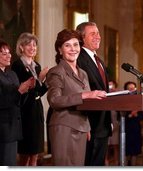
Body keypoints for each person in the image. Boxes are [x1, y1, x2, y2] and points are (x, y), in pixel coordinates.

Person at [46, 29, 107, 166]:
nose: (73, 49)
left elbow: (88, 104)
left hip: (82, 128)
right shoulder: (56, 72)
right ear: (60, 50)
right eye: (67, 45)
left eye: (76, 45)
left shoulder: (83, 73)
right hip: (63, 128)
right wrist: (84, 95)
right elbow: (54, 100)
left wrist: (87, 126)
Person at [76, 22, 112, 166]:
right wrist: (86, 125)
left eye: (98, 33)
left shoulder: (99, 61)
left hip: (102, 124)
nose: (98, 37)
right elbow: (80, 92)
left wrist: (108, 120)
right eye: (93, 34)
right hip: (90, 125)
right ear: (82, 38)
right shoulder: (79, 59)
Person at [11, 32, 48, 166]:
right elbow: (24, 90)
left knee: (36, 153)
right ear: (21, 47)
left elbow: (38, 91)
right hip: (25, 112)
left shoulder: (36, 65)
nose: (33, 48)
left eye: (35, 45)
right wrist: (41, 79)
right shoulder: (17, 66)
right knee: (26, 152)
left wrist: (45, 83)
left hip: (36, 110)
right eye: (29, 45)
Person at [0, 39, 33, 166]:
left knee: (11, 163)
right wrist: (19, 91)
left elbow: (18, 102)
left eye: (9, 53)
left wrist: (26, 90)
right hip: (3, 129)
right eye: (3, 53)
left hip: (14, 127)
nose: (9, 55)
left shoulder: (12, 74)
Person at [123, 81, 143, 166]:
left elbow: (142, 117)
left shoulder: (139, 100)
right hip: (126, 129)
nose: (132, 90)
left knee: (135, 152)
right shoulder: (122, 100)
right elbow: (120, 116)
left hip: (136, 129)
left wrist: (136, 115)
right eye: (129, 89)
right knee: (126, 151)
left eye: (133, 88)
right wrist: (131, 115)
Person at [105, 80, 120, 166]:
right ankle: (106, 162)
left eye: (112, 85)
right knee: (105, 145)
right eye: (109, 85)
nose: (110, 87)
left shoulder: (117, 95)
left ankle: (116, 162)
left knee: (115, 144)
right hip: (106, 122)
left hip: (115, 123)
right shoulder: (104, 93)